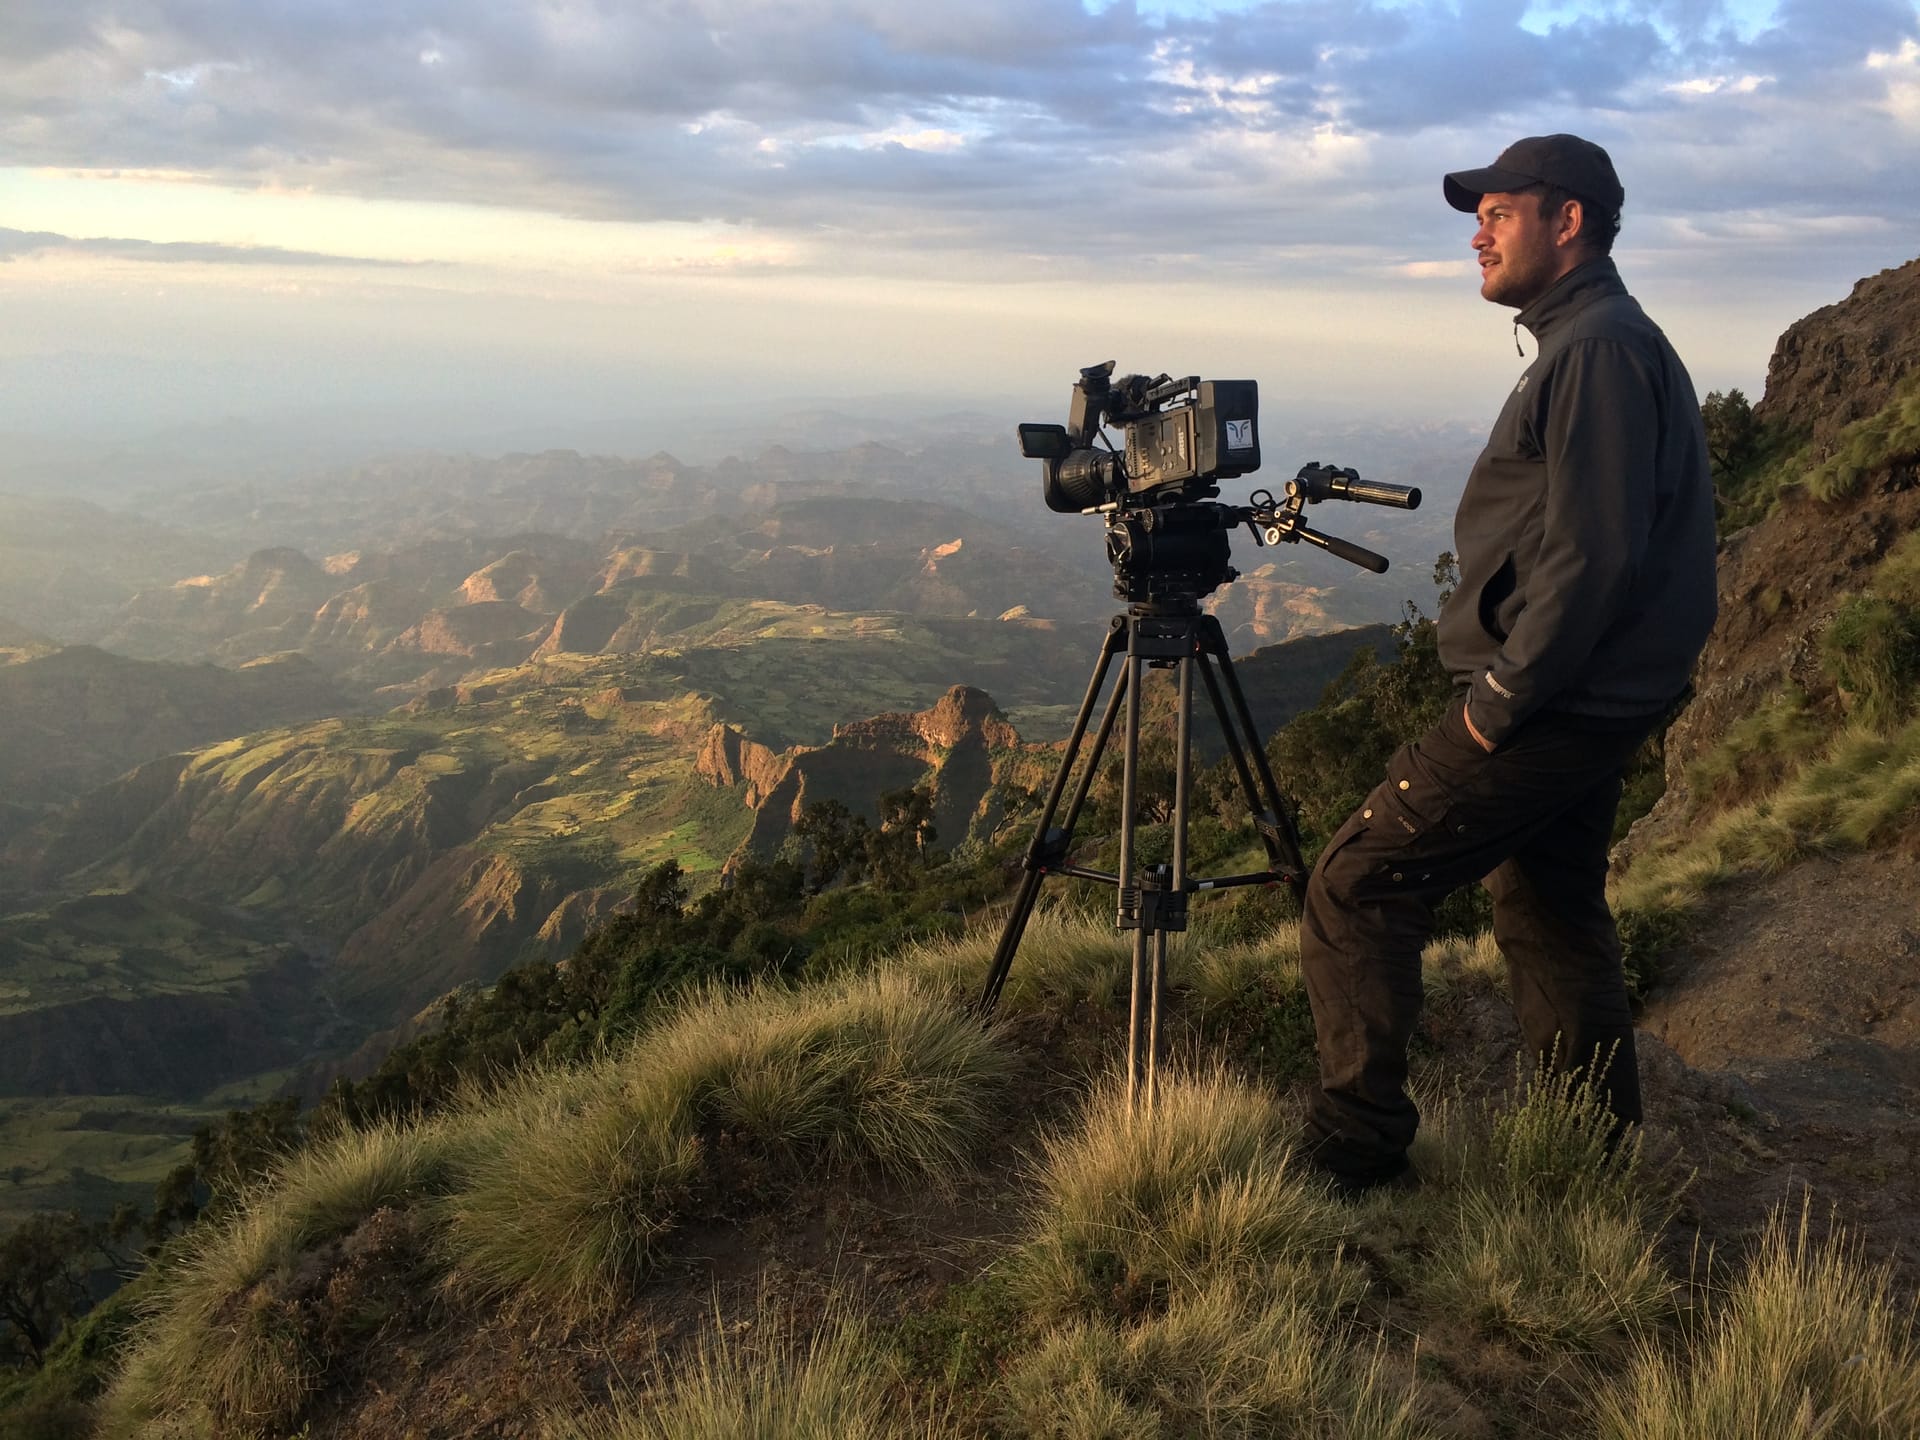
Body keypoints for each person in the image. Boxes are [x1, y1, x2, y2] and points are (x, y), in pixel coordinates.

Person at [1295, 134, 1719, 1194]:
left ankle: (1355, 1154)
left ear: (1566, 220)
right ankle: (1588, 1164)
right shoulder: (1594, 340)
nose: (1478, 235)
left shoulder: (1598, 350)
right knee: (1551, 913)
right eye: (1476, 217)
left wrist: (1497, 701)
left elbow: (1591, 554)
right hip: (1584, 702)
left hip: (1548, 705)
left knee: (1356, 882)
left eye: (1498, 213)